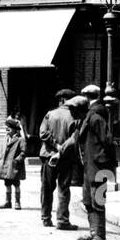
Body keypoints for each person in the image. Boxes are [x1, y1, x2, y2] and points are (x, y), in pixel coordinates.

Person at [38, 89, 82, 231]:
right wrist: (62, 148)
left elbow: (43, 133)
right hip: (66, 157)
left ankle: (46, 218)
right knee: (64, 189)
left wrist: (55, 145)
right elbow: (75, 138)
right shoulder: (75, 117)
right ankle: (62, 220)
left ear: (62, 100)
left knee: (47, 187)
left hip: (49, 156)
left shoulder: (50, 114)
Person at [77, 88, 116, 240]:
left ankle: (100, 235)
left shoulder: (96, 116)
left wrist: (103, 160)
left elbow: (107, 140)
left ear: (87, 98)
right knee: (88, 200)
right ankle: (93, 232)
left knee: (97, 201)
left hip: (98, 166)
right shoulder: (90, 115)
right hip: (89, 166)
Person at [0, 115, 26, 209]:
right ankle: (8, 202)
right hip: (5, 165)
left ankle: (17, 202)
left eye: (8, 128)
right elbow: (3, 150)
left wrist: (17, 160)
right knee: (7, 183)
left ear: (14, 129)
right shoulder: (6, 138)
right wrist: (0, 159)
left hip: (14, 166)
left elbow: (23, 152)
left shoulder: (20, 139)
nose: (6, 130)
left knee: (16, 183)